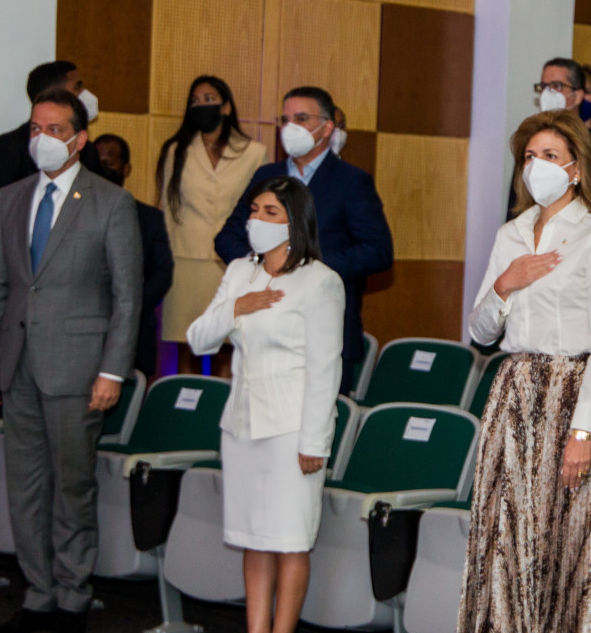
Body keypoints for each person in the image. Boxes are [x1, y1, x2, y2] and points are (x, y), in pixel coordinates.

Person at [461, 109, 591, 633]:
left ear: (576, 168)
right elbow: (481, 331)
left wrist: (583, 432)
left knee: (560, 557)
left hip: (572, 400)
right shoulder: (510, 233)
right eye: (530, 155)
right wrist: (505, 285)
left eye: (550, 155)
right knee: (512, 555)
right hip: (513, 396)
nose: (537, 166)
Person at [0, 88, 141, 633]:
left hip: (78, 367)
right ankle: (38, 594)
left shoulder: (110, 203)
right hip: (17, 365)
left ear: (79, 138)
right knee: (25, 488)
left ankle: (73, 597)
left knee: (71, 487)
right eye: (34, 128)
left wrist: (112, 372)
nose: (40, 138)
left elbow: (127, 297)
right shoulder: (11, 197)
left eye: (53, 130)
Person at [187, 176, 343, 633]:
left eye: (270, 211)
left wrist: (314, 441)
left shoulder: (320, 282)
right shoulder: (240, 272)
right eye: (253, 209)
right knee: (253, 539)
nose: (256, 219)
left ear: (294, 221)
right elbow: (198, 337)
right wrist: (237, 307)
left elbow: (325, 369)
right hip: (242, 425)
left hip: (292, 429)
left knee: (289, 541)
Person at [216, 86, 393, 395]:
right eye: (285, 120)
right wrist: (261, 265)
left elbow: (378, 251)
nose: (290, 127)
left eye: (301, 118)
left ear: (327, 128)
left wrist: (305, 265)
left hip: (324, 333)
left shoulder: (351, 181)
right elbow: (227, 237)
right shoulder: (266, 176)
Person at [157, 76, 268, 376]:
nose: (201, 105)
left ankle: (221, 404)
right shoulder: (176, 150)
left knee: (227, 347)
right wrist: (165, 259)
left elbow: (261, 211)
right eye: (195, 101)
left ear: (226, 107)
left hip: (232, 263)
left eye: (209, 99)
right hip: (185, 263)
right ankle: (187, 403)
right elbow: (168, 211)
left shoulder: (254, 153)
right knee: (187, 345)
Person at [0, 60, 103, 302]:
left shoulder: (86, 151)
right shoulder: (4, 149)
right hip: (12, 287)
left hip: (71, 289)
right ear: (55, 95)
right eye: (78, 86)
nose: (85, 94)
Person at [93, 133, 174, 379]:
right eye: (97, 164)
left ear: (126, 168)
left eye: (109, 163)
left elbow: (163, 273)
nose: (103, 170)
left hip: (136, 330)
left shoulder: (150, 218)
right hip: (85, 330)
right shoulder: (74, 215)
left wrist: (129, 305)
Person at [533, 57, 591, 194]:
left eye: (556, 86)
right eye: (543, 87)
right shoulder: (531, 143)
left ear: (578, 96)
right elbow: (517, 201)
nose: (547, 93)